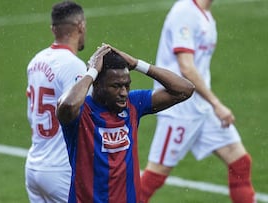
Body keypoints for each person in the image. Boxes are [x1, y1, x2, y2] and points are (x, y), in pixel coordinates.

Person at [139, 0, 256, 202]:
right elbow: (187, 68)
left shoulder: (207, 16)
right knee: (155, 176)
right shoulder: (185, 12)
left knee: (240, 163)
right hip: (179, 109)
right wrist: (216, 104)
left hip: (201, 107)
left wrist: (210, 105)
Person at [56, 45, 195, 202]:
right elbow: (67, 105)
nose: (123, 93)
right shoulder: (80, 112)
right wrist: (91, 73)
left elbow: (185, 89)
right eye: (116, 86)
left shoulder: (134, 104)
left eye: (126, 85)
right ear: (97, 84)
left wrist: (137, 64)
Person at [24, 1, 87, 202]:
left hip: (34, 166)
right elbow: (82, 117)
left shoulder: (36, 61)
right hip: (61, 170)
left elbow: (30, 114)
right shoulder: (74, 66)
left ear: (53, 29)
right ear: (81, 26)